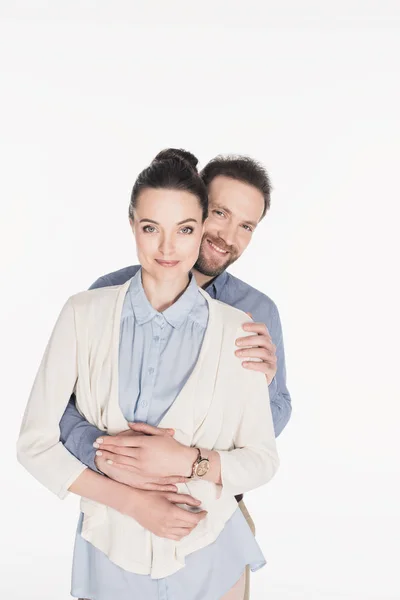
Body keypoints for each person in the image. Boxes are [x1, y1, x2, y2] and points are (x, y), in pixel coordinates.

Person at [17, 149, 280, 600]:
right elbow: (37, 439)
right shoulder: (87, 310)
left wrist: (189, 460)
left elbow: (263, 452)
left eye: (184, 230)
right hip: (112, 544)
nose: (167, 247)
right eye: (150, 228)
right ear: (132, 224)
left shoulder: (246, 324)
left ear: (196, 230)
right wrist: (127, 486)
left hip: (210, 543)